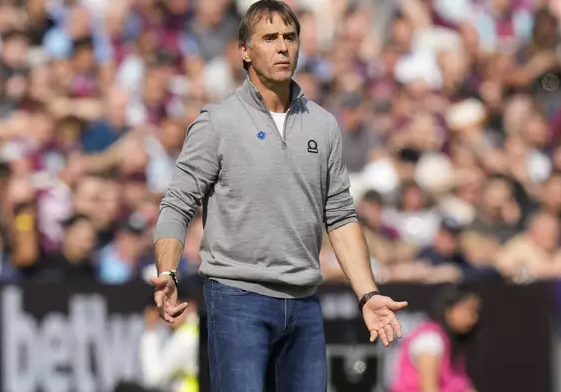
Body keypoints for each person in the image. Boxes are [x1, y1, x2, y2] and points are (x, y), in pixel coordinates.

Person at [152, 1, 408, 391]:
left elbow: (339, 216)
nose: (283, 47)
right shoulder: (217, 122)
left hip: (304, 303)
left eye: (290, 37)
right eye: (269, 38)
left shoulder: (323, 125)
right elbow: (177, 204)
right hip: (237, 299)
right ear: (245, 50)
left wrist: (367, 294)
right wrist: (168, 271)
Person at [390, 285, 481, 392]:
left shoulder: (451, 343)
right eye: (468, 310)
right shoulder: (430, 340)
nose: (474, 318)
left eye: (476, 311)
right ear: (449, 310)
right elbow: (429, 389)